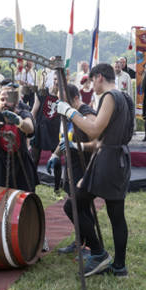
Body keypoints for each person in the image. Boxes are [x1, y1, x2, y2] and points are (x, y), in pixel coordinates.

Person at [56, 63, 134, 277]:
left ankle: (98, 253)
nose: (92, 87)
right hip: (119, 159)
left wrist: (70, 113)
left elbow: (94, 130)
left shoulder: (109, 97)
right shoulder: (125, 97)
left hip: (109, 160)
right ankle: (119, 267)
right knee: (116, 215)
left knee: (72, 205)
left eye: (92, 81)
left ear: (99, 77)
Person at [46, 84, 97, 254]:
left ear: (75, 98)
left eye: (63, 100)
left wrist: (78, 146)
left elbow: (96, 143)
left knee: (79, 208)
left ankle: (90, 246)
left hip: (84, 168)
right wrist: (55, 154)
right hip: (71, 168)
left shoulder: (86, 113)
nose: (60, 103)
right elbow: (65, 140)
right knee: (76, 209)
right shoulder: (66, 115)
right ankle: (80, 240)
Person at [30, 75, 61, 172]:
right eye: (55, 79)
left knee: (56, 159)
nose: (56, 81)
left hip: (54, 130)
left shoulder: (64, 96)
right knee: (34, 159)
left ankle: (57, 186)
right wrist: (29, 129)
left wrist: (60, 94)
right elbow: (33, 112)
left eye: (58, 79)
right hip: (40, 129)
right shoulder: (42, 93)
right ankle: (32, 183)